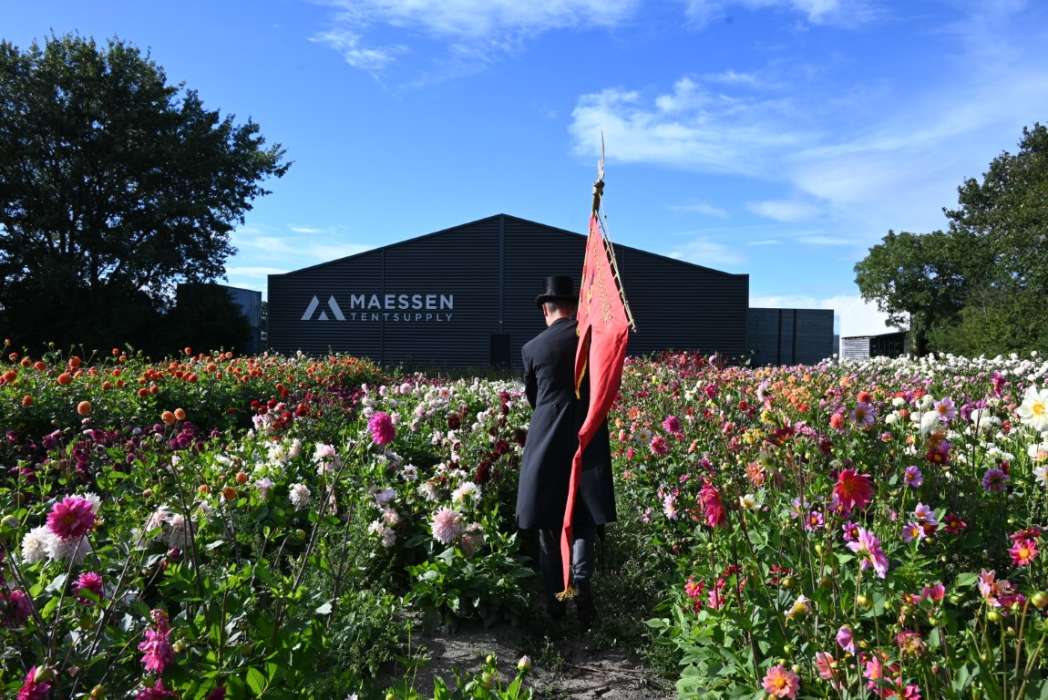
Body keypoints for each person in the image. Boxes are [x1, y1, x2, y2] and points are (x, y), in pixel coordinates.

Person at [516, 275, 616, 626]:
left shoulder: (533, 348)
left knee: (548, 520)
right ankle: (582, 586)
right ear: (574, 307)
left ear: (546, 309)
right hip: (587, 436)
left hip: (546, 439)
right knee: (583, 516)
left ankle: (557, 600)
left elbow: (534, 398)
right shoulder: (591, 341)